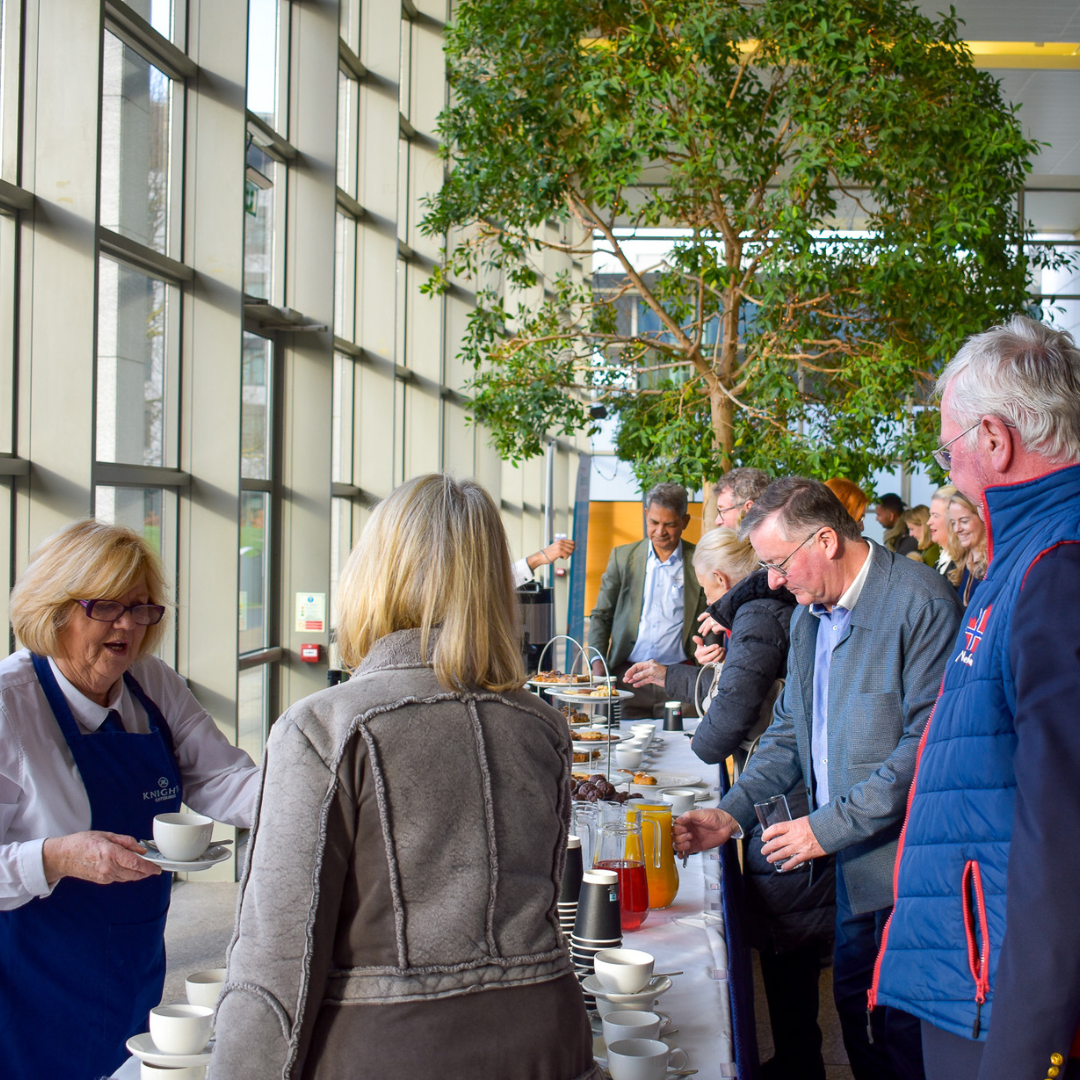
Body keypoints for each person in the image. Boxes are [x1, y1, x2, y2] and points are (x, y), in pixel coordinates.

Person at [212, 475, 599, 1080]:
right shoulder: (542, 726)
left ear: (374, 573)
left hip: (390, 1050)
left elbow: (278, 956)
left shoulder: (325, 727)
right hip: (550, 1040)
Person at [672, 477, 962, 1080]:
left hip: (905, 873)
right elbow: (786, 735)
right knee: (857, 1018)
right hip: (851, 866)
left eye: (778, 563)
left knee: (898, 1038)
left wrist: (820, 830)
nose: (773, 581)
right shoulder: (809, 617)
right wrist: (732, 813)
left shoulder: (921, 603)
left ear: (826, 540)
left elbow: (924, 750)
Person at [871, 316, 1080, 1080]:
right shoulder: (1025, 552)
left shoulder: (1057, 564)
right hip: (975, 977)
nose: (948, 468)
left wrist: (1030, 1050)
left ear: (992, 440)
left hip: (1004, 1007)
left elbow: (1064, 834)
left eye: (947, 446)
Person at [0, 520, 260, 1080]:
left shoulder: (154, 685)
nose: (129, 625)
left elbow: (224, 780)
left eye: (142, 608)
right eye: (107, 607)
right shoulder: (8, 706)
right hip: (26, 982)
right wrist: (58, 857)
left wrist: (326, 791)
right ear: (56, 610)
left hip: (131, 964)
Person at [626, 527, 836, 1080]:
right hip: (782, 794)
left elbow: (724, 726)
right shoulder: (764, 615)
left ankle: (797, 1061)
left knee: (786, 933)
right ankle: (795, 1055)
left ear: (720, 580)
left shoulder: (758, 616)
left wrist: (704, 718)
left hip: (785, 804)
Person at [588, 483, 707, 718]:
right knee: (619, 748)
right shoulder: (623, 558)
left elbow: (710, 617)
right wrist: (597, 662)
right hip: (628, 678)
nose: (660, 531)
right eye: (654, 522)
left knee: (682, 748)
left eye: (670, 524)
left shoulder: (699, 562)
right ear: (645, 515)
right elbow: (602, 615)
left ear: (684, 522)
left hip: (680, 680)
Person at [947, 491, 987, 609]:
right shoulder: (961, 564)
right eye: (953, 523)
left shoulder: (995, 565)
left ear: (982, 518)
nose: (957, 529)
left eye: (964, 521)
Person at [927, 483, 959, 575]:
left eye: (935, 516)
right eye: (930, 515)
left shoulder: (965, 567)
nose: (929, 522)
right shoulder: (942, 560)